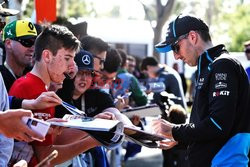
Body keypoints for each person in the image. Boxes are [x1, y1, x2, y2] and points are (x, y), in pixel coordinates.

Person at [153, 15, 250, 167]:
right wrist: (180, 138)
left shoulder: (223, 65)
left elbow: (218, 124)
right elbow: (206, 126)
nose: (176, 56)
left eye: (175, 47)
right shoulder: (208, 67)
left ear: (192, 37)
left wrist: (175, 130)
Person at [8, 24, 109, 166]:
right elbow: (45, 157)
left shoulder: (38, 87)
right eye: (68, 58)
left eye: (73, 59)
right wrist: (92, 141)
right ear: (47, 56)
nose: (72, 66)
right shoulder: (33, 89)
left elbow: (50, 141)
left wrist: (92, 126)